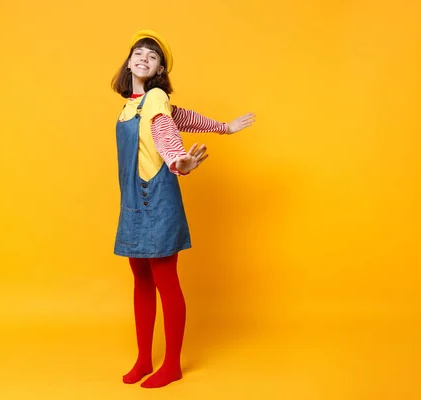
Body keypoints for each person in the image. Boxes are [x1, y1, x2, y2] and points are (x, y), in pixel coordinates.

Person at [110, 29, 255, 389]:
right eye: (138, 52)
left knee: (163, 279)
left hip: (156, 199)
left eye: (152, 56)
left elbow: (165, 131)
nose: (143, 57)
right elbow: (182, 117)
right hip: (132, 201)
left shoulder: (156, 96)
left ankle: (171, 364)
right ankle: (144, 358)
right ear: (129, 62)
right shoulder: (132, 104)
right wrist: (222, 127)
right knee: (140, 277)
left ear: (160, 70)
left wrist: (177, 160)